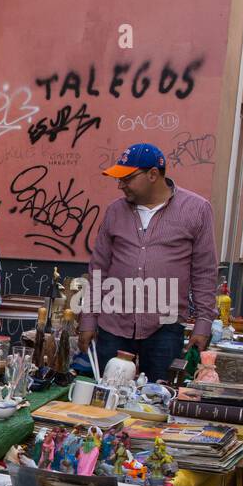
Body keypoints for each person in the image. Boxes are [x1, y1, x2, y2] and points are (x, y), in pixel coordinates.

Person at [79, 143, 217, 382]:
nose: (121, 185)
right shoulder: (114, 211)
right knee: (108, 399)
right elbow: (98, 268)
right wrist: (88, 318)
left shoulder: (196, 210)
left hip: (165, 326)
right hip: (114, 324)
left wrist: (203, 323)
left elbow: (204, 271)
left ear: (153, 174)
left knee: (159, 398)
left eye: (127, 178)